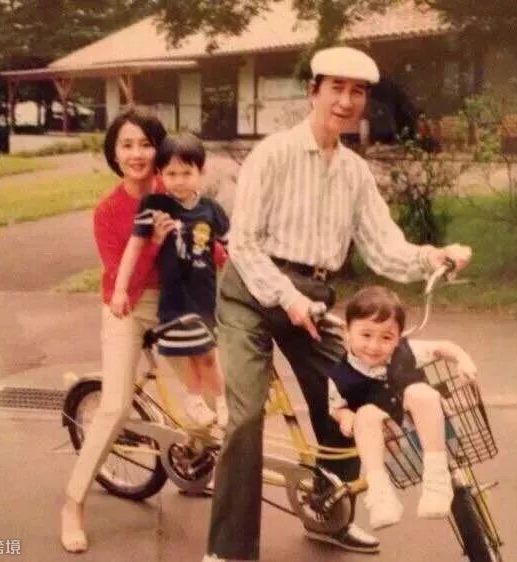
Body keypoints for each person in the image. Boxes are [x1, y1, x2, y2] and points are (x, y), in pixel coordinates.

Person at [203, 45, 472, 562]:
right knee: (246, 415)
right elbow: (244, 244)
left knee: (354, 391)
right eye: (336, 89)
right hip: (251, 292)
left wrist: (433, 257)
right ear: (313, 92)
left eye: (358, 92)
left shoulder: (353, 172)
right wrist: (287, 297)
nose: (346, 102)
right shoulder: (273, 154)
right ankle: (228, 551)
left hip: (313, 297)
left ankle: (330, 514)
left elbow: (383, 247)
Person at [60, 109, 175, 554]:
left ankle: (193, 465)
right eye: (126, 145)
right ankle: (73, 503)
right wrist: (156, 244)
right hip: (125, 305)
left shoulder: (172, 190)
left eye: (146, 144)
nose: (136, 154)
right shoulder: (108, 212)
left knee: (208, 394)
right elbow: (124, 278)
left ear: (159, 148)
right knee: (115, 407)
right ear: (113, 152)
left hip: (173, 304)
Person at [327, 285, 477, 529]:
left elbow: (442, 347)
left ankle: (436, 480)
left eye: (386, 338)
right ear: (346, 332)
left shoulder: (405, 352)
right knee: (365, 414)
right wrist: (345, 418)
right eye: (366, 335)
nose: (374, 346)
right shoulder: (339, 375)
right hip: (393, 453)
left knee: (420, 392)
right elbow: (337, 407)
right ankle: (380, 493)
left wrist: (462, 359)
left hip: (437, 439)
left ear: (398, 338)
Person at [110, 132, 230, 428]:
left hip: (205, 299)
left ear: (201, 172)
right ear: (160, 174)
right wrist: (120, 290)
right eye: (171, 174)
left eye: (186, 173)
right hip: (174, 300)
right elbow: (134, 248)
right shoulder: (154, 206)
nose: (179, 181)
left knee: (207, 356)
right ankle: (194, 398)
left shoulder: (211, 210)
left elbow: (232, 251)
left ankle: (223, 400)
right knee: (184, 354)